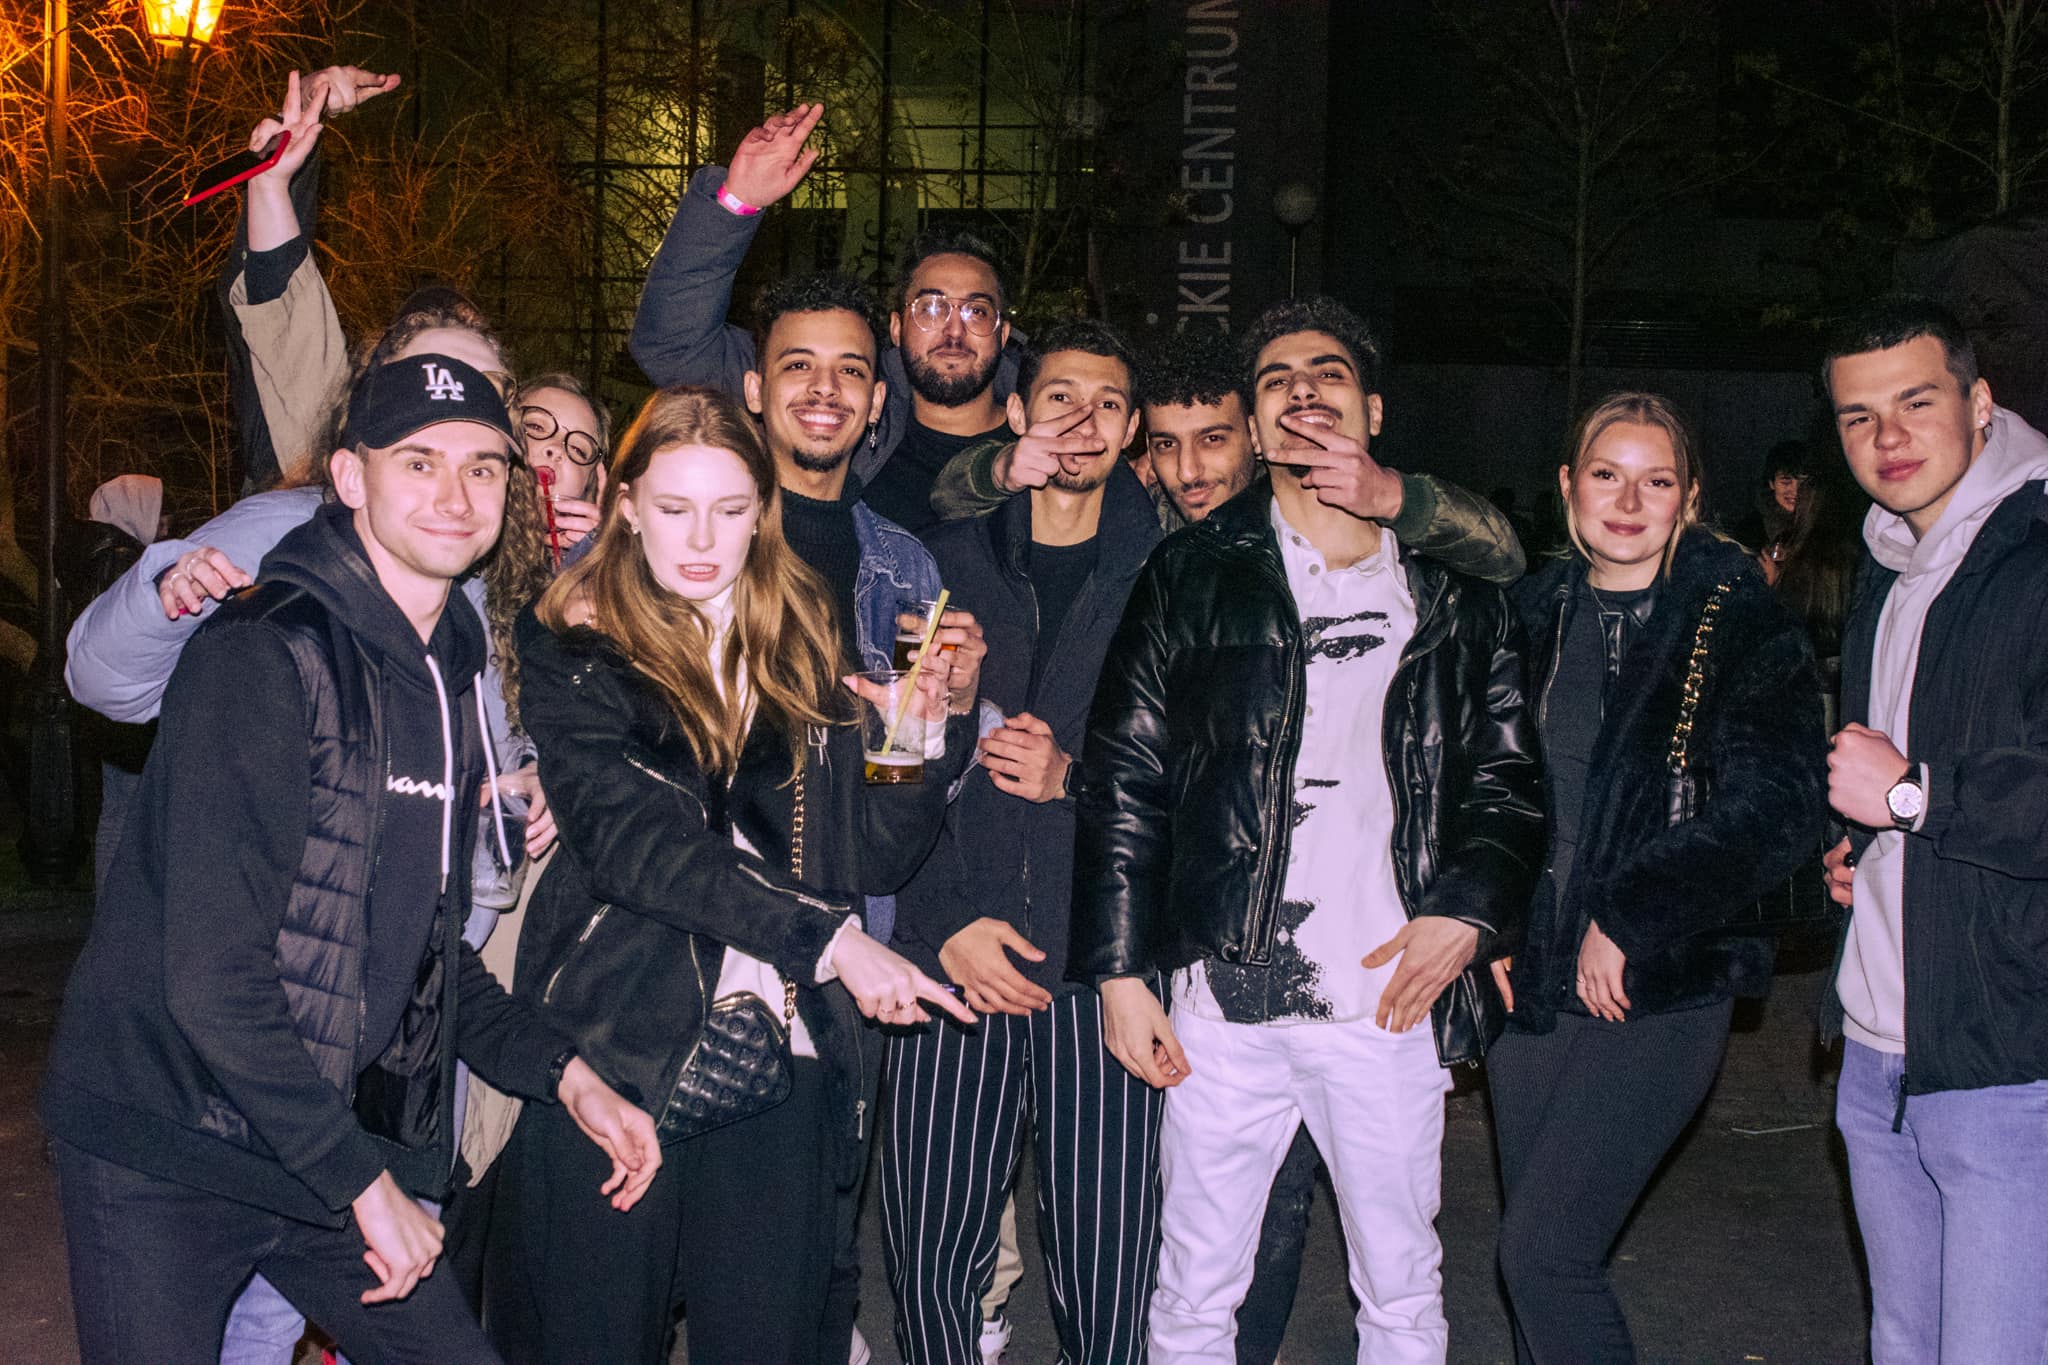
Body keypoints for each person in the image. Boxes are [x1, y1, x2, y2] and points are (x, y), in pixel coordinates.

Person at [39, 353, 660, 1363]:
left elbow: (424, 949)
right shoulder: (263, 653)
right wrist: (365, 1185)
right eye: (419, 462)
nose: (455, 495)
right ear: (349, 476)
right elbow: (213, 979)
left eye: (482, 466)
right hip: (164, 1138)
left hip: (303, 1129)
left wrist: (569, 1076)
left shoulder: (450, 666)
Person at [1069, 296, 1546, 1363]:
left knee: (1400, 1290)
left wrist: (1469, 912)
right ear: (1253, 420)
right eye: (1275, 379)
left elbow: (1509, 778)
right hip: (1223, 1000)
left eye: (1326, 372)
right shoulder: (1191, 571)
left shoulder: (1450, 584)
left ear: (1371, 409)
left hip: (1386, 998)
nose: (1300, 391)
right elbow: (1125, 779)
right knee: (1192, 1289)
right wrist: (1120, 973)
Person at [483, 385, 974, 1364]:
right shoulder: (577, 639)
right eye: (674, 508)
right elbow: (635, 845)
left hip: (784, 1050)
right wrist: (832, 941)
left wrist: (914, 733)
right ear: (626, 506)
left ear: (763, 511)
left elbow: (872, 854)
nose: (702, 538)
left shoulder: (802, 632)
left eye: (729, 508)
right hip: (618, 1044)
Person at [1489, 393, 1828, 1364]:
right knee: (1537, 1265)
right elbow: (1487, 791)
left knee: (1543, 1256)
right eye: (1606, 474)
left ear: (1688, 499)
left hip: (1661, 980)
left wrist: (1633, 913)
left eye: (1656, 480)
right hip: (1530, 984)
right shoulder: (1528, 613)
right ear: (1567, 486)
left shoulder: (1737, 618)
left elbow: (1779, 805)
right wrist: (1488, 918)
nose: (1628, 501)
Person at [882, 320, 1164, 1365]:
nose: (1081, 421)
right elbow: (889, 765)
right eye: (1059, 398)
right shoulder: (935, 564)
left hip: (1101, 964)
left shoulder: (1170, 575)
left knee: (1107, 1260)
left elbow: (1201, 781)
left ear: (1132, 430)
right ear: (1014, 413)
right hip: (953, 952)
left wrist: (1070, 780)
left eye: (1106, 404)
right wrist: (944, 921)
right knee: (932, 1251)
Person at [1816, 296, 2048, 1364]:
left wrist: (1913, 797)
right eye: (1857, 416)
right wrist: (1864, 852)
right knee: (1904, 1345)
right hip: (1879, 1052)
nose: (1887, 437)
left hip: (2007, 1056)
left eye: (1915, 402)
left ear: (1980, 402)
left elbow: (1921, 784)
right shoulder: (1889, 567)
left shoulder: (2033, 556)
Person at [628, 103, 1025, 534]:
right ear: (896, 326)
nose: (954, 329)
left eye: (977, 311)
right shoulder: (848, 390)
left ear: (1003, 332)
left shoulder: (1047, 423)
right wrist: (736, 203)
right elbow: (673, 347)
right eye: (931, 307)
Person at [930, 329, 1533, 592]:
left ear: (1254, 434)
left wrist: (1393, 497)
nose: (1189, 471)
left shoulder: (1317, 514)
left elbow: (1504, 555)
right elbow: (945, 498)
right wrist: (1005, 467)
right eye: (1167, 445)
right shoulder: (1143, 525)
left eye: (1213, 439)